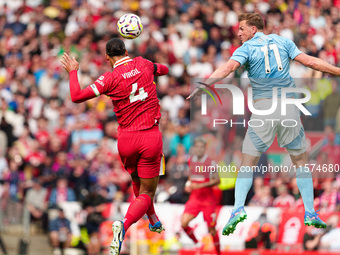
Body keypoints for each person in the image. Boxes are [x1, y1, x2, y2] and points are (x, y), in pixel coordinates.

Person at [187, 13, 340, 235]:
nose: (238, 33)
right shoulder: (284, 41)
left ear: (254, 30)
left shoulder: (246, 48)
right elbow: (311, 62)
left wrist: (205, 84)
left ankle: (238, 209)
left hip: (264, 109)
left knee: (247, 163)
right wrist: (338, 71)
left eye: (241, 29)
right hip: (289, 107)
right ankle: (310, 211)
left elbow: (228, 68)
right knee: (301, 163)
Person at [61, 38, 169, 255]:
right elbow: (164, 69)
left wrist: (73, 71)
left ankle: (153, 218)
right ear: (127, 51)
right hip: (149, 136)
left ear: (107, 57)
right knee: (148, 191)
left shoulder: (108, 78)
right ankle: (124, 224)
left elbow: (76, 96)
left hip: (126, 140)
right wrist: (154, 69)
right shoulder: (143, 64)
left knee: (138, 184)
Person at [182, 137, 221, 254]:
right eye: (197, 147)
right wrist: (188, 185)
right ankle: (198, 243)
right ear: (194, 148)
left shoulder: (210, 163)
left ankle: (218, 252)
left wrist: (201, 185)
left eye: (201, 147)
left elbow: (217, 180)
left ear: (205, 149)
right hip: (194, 198)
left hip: (208, 200)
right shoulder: (190, 161)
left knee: (212, 230)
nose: (199, 149)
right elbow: (191, 176)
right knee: (183, 224)